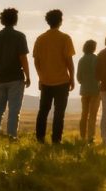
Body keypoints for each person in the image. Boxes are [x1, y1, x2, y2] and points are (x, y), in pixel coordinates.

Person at [32, 9, 75, 144]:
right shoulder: (65, 38)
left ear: (48, 22)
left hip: (45, 81)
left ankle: (40, 138)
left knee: (43, 111)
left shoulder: (40, 39)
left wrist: (40, 76)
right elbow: (69, 61)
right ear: (60, 21)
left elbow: (36, 61)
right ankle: (56, 140)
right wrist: (72, 78)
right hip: (62, 81)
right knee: (59, 113)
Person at [0, 8, 31, 139]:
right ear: (15, 20)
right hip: (15, 78)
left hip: (0, 78)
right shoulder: (19, 36)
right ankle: (12, 136)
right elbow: (23, 58)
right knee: (14, 111)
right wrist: (28, 76)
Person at [77, 39, 100, 143]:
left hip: (84, 90)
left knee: (84, 114)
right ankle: (90, 137)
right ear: (94, 48)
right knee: (93, 114)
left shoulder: (81, 60)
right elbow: (99, 74)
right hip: (95, 90)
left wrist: (84, 82)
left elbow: (78, 77)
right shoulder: (96, 59)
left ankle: (82, 136)